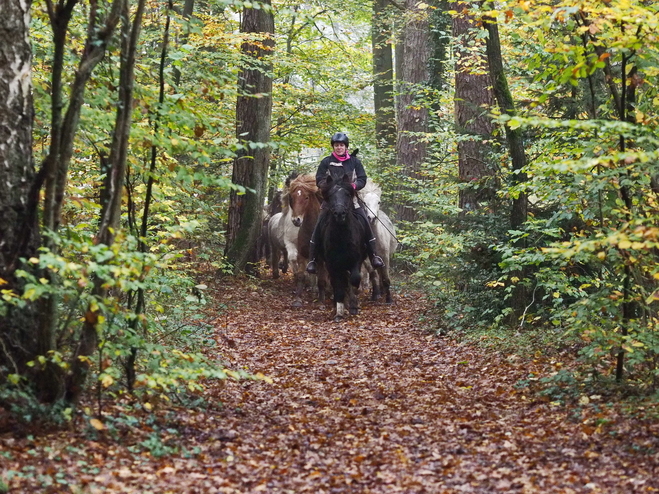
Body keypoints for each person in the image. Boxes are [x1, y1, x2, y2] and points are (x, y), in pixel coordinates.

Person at [306, 132, 385, 274]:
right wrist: (330, 187)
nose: (339, 147)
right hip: (330, 202)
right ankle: (312, 259)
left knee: (365, 221)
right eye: (336, 145)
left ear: (345, 147)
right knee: (319, 224)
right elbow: (319, 179)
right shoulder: (326, 162)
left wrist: (354, 186)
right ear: (333, 147)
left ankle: (374, 255)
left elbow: (362, 178)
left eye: (341, 145)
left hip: (351, 200)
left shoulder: (354, 162)